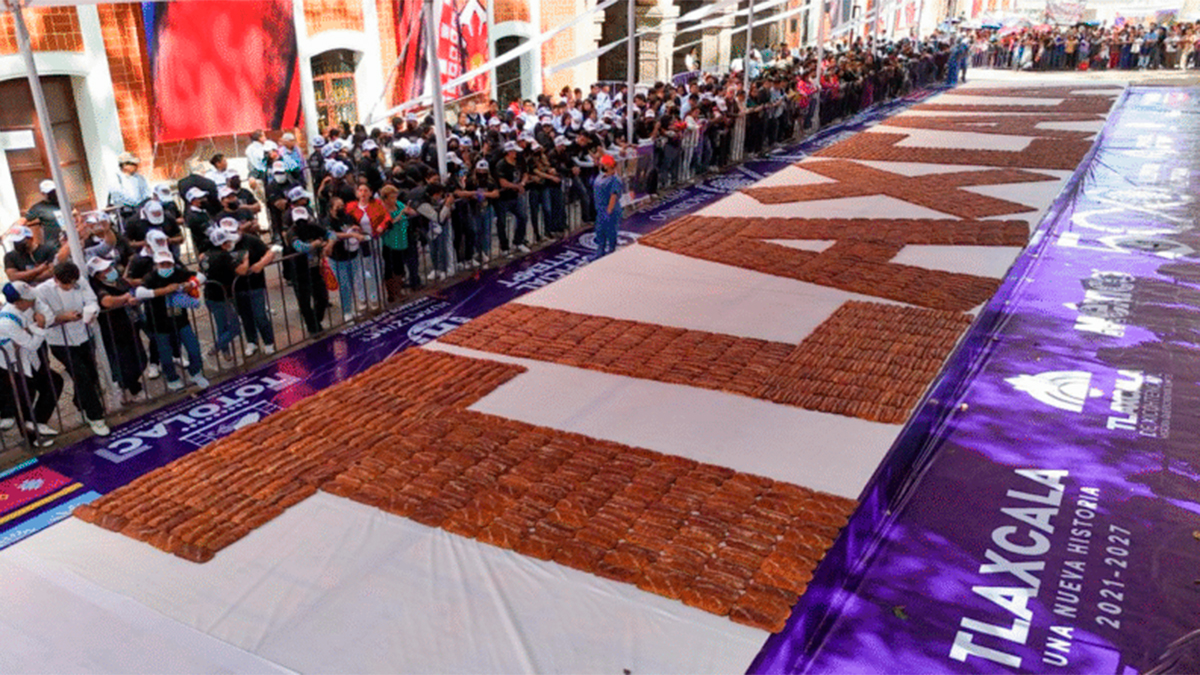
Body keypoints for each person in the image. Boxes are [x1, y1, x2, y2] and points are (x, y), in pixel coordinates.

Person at [34, 261, 109, 436]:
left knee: (91, 373)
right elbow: (44, 318)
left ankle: (81, 402)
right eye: (65, 284)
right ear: (55, 279)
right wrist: (63, 317)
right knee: (81, 375)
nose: (69, 287)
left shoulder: (80, 282)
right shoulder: (42, 292)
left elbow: (91, 300)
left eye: (72, 283)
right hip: (60, 342)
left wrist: (90, 311)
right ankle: (95, 416)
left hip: (84, 335)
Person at [134, 250, 209, 391]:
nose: (166, 266)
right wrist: (163, 291)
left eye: (168, 263)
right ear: (157, 264)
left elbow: (200, 276)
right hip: (159, 324)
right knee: (165, 356)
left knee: (194, 349)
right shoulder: (150, 278)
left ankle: (195, 372)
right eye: (162, 264)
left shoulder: (178, 273)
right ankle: (172, 378)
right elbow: (139, 293)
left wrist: (191, 285)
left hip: (181, 320)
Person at [0, 281, 63, 447]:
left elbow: (48, 315)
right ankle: (32, 438)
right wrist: (39, 326)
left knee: (54, 383)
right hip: (11, 365)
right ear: (18, 301)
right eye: (28, 299)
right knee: (23, 399)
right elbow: (32, 343)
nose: (33, 300)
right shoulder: (7, 321)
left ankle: (38, 422)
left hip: (31, 359)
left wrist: (32, 329)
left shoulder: (31, 302)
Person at [87, 256, 145, 405]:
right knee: (122, 362)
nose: (109, 271)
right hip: (113, 329)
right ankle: (128, 389)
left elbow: (130, 285)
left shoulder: (118, 280)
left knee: (140, 358)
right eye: (104, 270)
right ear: (98, 275)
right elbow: (107, 301)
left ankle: (131, 386)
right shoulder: (97, 287)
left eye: (108, 268)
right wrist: (124, 298)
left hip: (131, 324)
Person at [284, 197, 330, 335]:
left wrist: (329, 243)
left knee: (322, 298)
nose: (301, 222)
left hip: (315, 269)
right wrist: (314, 244)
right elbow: (299, 247)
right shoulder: (291, 232)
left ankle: (316, 321)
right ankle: (313, 327)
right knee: (304, 303)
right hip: (298, 271)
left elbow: (330, 234)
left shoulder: (314, 227)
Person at [199, 227, 246, 361]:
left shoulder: (206, 255)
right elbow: (241, 270)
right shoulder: (223, 256)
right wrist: (246, 260)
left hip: (209, 295)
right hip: (221, 297)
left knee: (222, 326)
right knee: (235, 327)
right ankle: (217, 347)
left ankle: (225, 351)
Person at [231, 220, 276, 357]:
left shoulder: (251, 240)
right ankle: (252, 341)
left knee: (260, 315)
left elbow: (269, 253)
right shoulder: (224, 244)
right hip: (236, 287)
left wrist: (260, 264)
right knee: (245, 317)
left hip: (255, 284)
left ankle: (269, 342)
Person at [345, 183, 386, 311]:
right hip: (358, 243)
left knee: (375, 270)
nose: (363, 194)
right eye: (360, 190)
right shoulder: (350, 206)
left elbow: (386, 217)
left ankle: (374, 298)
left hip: (373, 241)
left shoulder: (377, 204)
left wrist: (381, 227)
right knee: (359, 272)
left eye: (366, 191)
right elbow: (345, 222)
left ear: (370, 192)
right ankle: (362, 299)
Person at [15, 179, 65, 251]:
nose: (52, 194)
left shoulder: (63, 203)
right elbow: (23, 220)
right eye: (49, 193)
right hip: (53, 244)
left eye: (53, 192)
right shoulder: (39, 207)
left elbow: (75, 213)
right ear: (43, 194)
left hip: (69, 239)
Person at [592, 153, 625, 260]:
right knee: (600, 231)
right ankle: (600, 252)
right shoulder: (601, 176)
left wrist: (608, 211)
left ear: (608, 165)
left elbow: (613, 196)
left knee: (610, 232)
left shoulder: (615, 180)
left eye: (602, 164)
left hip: (609, 210)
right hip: (600, 209)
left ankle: (611, 253)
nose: (600, 165)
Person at [110, 152, 152, 226]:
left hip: (143, 211)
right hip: (127, 213)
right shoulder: (117, 178)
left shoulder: (140, 178)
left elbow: (147, 192)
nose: (136, 166)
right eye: (133, 164)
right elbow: (118, 197)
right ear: (125, 165)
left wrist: (142, 203)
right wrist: (134, 204)